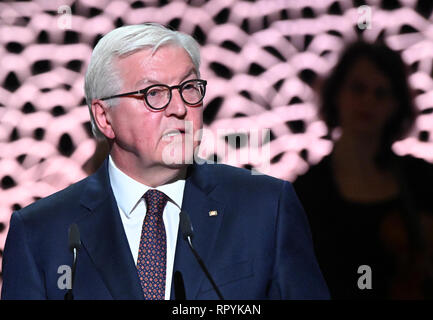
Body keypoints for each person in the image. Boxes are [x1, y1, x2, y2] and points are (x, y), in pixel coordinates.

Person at [1, 23, 329, 300]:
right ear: (104, 117)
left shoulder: (266, 207)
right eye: (154, 93)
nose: (179, 108)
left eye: (188, 87)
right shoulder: (40, 234)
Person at [294, 41, 433, 299]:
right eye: (358, 89)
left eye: (382, 93)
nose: (368, 100)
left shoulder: (423, 180)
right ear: (337, 94)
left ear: (396, 105)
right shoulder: (306, 193)